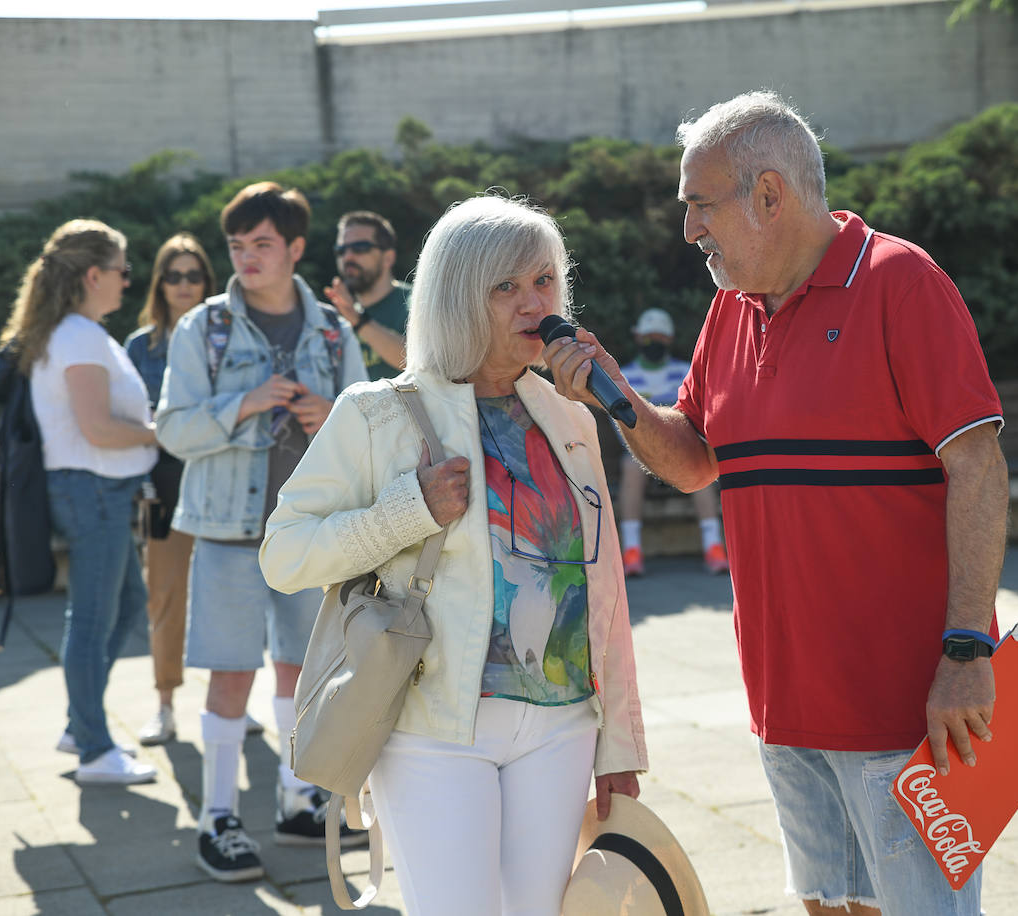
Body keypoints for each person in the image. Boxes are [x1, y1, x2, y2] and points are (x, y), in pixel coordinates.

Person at [545, 91, 1007, 916]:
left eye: (698, 205)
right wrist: (614, 399)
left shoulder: (902, 281)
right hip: (784, 704)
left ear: (769, 195)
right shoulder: (731, 308)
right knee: (829, 906)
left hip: (907, 708)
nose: (689, 230)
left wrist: (969, 653)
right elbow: (693, 461)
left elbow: (977, 465)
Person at [260, 195, 649, 915]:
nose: (534, 304)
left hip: (563, 728)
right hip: (435, 730)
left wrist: (619, 740)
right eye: (505, 287)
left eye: (543, 282)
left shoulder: (570, 415)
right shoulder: (378, 413)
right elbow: (283, 555)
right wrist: (407, 510)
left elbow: (602, 591)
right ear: (455, 298)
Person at [155, 182, 368, 881]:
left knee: (302, 673)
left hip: (309, 532)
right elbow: (174, 429)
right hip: (225, 532)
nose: (245, 258)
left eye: (262, 245)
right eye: (237, 246)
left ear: (296, 248)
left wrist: (327, 414)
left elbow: (368, 431)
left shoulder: (333, 330)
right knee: (230, 671)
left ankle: (298, 799)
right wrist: (241, 404)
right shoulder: (204, 328)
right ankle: (218, 818)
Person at [0, 219, 159, 785]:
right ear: (94, 274)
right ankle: (93, 748)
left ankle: (79, 721)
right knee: (92, 622)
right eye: (121, 270)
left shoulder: (72, 332)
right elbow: (98, 428)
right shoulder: (79, 337)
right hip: (93, 489)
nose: (126, 282)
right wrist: (156, 431)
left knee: (126, 609)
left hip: (94, 489)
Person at [124, 233, 215, 747]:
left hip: (222, 487)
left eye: (193, 275)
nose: (184, 285)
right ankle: (164, 703)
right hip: (164, 489)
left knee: (228, 595)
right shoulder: (142, 345)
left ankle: (229, 703)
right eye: (174, 275)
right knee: (165, 597)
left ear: (206, 281)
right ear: (160, 282)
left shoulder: (224, 335)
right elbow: (132, 422)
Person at [616, 307, 728, 576]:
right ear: (637, 337)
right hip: (640, 455)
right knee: (631, 467)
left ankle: (714, 546)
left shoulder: (684, 372)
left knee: (702, 465)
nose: (654, 342)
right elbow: (621, 424)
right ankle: (631, 551)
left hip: (683, 449)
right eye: (648, 336)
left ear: (670, 339)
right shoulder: (624, 375)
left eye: (660, 337)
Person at [323, 210, 410, 378]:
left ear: (388, 258)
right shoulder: (338, 318)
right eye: (341, 250)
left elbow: (420, 361)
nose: (348, 257)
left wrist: (358, 321)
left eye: (360, 248)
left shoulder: (417, 302)